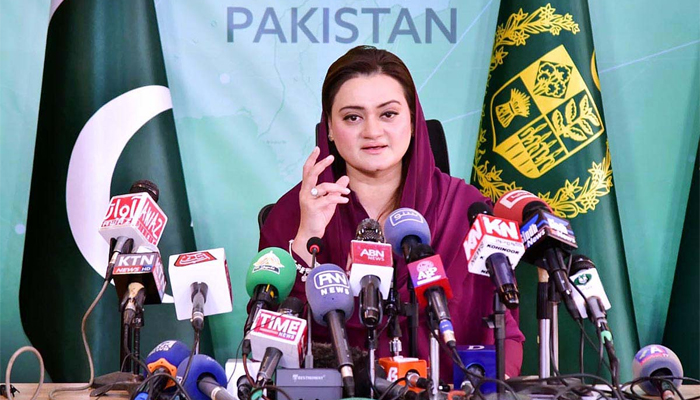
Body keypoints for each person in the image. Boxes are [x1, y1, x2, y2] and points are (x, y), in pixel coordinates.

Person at [259, 45, 524, 381]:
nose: (372, 131)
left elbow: (506, 336)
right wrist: (305, 239)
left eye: (388, 114)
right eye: (352, 117)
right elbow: (270, 347)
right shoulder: (290, 214)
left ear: (413, 121)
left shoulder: (465, 208)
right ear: (328, 128)